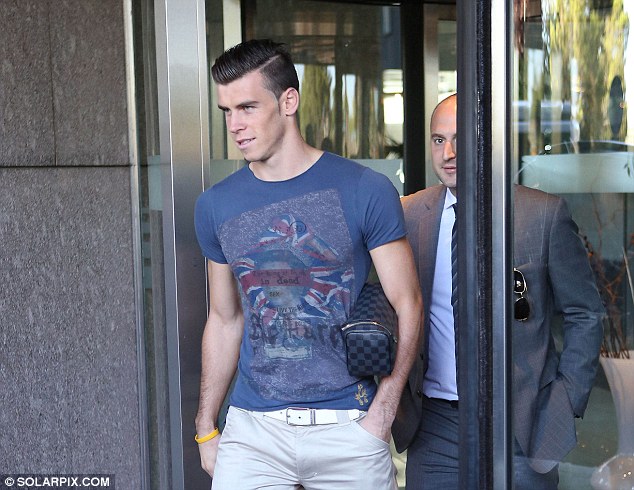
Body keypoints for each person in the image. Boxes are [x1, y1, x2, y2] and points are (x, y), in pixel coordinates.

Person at [193, 39, 423, 490]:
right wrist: (206, 426)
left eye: (247, 108)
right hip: (252, 432)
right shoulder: (215, 205)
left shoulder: (364, 189)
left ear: (288, 102)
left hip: (349, 426)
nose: (234, 126)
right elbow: (224, 319)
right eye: (227, 111)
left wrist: (382, 413)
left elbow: (408, 302)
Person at [391, 93, 605, 489]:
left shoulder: (542, 215)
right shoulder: (409, 214)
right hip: (435, 426)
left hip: (521, 422)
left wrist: (566, 399)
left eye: (460, 139)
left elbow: (585, 313)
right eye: (439, 140)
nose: (448, 153)